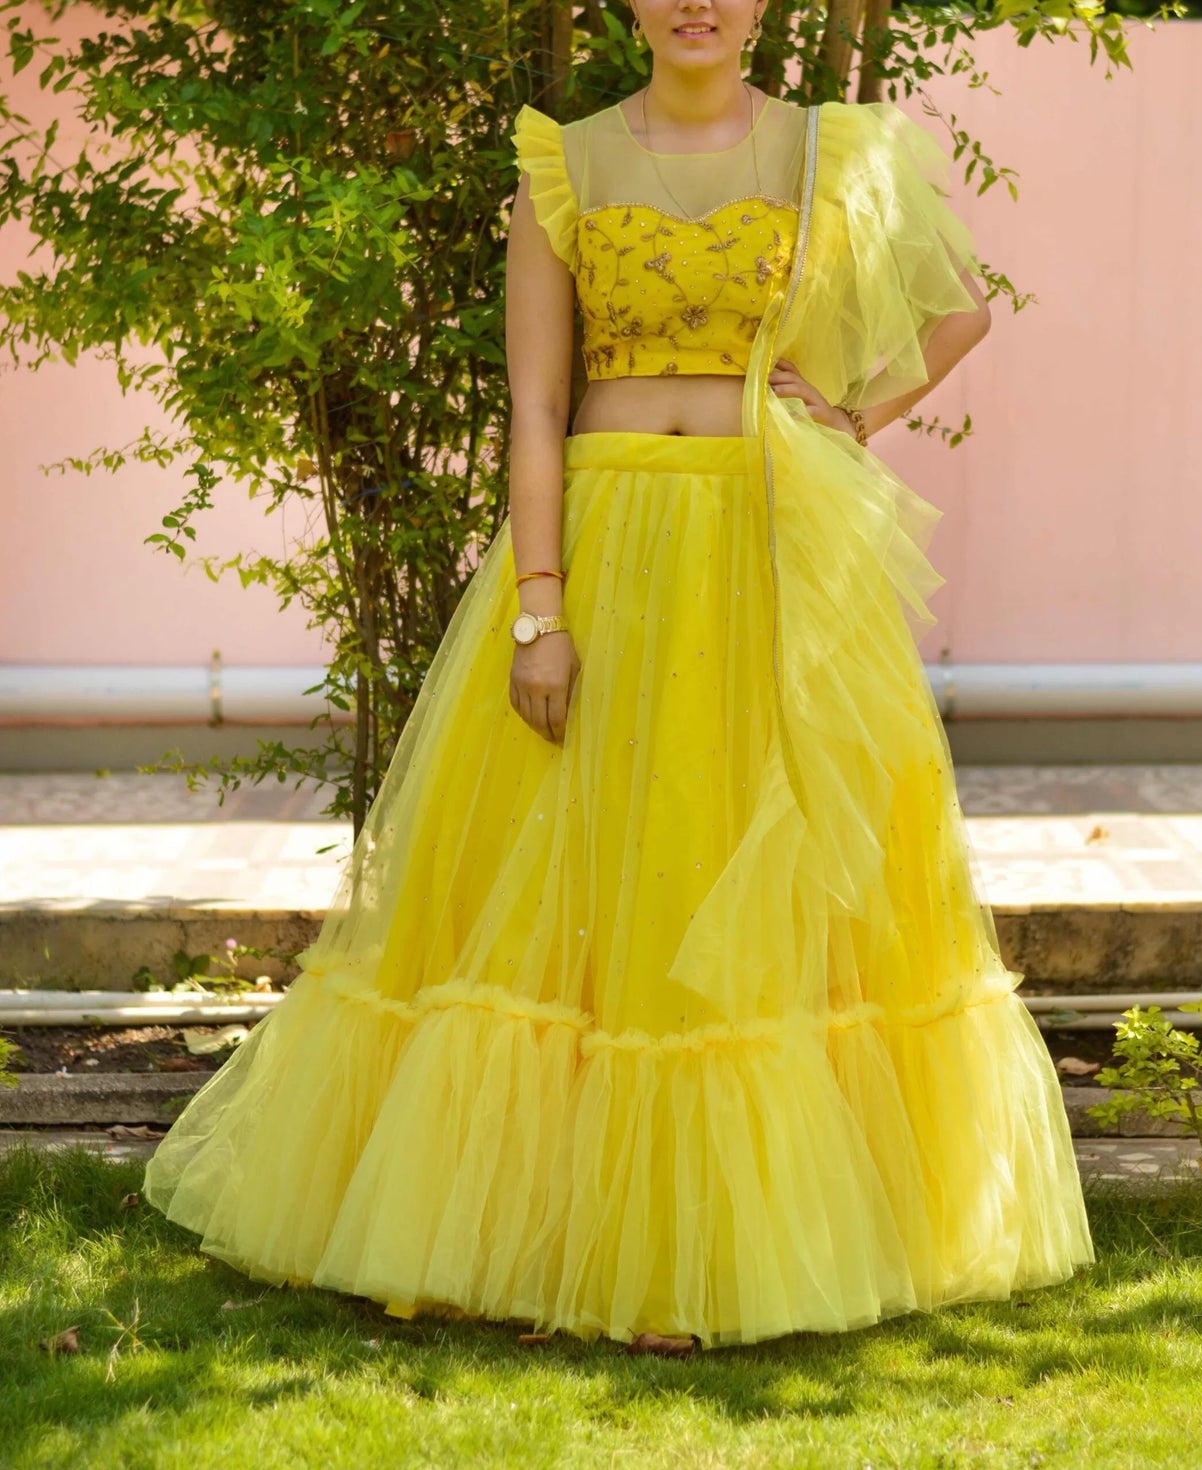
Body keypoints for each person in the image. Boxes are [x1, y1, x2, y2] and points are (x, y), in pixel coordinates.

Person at [141, 0, 1095, 1350]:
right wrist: (540, 610)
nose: (695, 3)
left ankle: (733, 1240)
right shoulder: (565, 161)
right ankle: (549, 1227)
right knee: (592, 867)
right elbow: (534, 403)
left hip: (766, 538)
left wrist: (851, 412)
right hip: (607, 540)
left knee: (733, 858)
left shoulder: (841, 152)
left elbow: (960, 313)